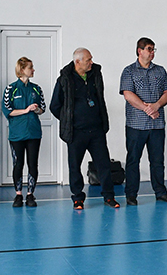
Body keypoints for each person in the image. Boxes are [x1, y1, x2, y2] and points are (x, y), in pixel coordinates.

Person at [50, 48, 120, 210]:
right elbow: (55, 106)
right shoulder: (64, 79)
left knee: (104, 165)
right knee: (74, 167)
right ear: (78, 62)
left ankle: (109, 196)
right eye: (88, 60)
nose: (91, 62)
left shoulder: (96, 75)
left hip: (96, 131)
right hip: (76, 132)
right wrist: (68, 120)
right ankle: (78, 198)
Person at [119, 37, 167, 206]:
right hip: (136, 125)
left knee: (157, 161)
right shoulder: (129, 71)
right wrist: (147, 109)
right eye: (149, 49)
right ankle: (131, 194)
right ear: (140, 50)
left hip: (157, 125)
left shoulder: (160, 71)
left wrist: (156, 105)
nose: (152, 52)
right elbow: (128, 95)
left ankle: (160, 192)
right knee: (133, 160)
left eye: (153, 49)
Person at [2, 57, 45, 207]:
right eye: (30, 67)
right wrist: (26, 110)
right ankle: (18, 194)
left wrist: (36, 109)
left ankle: (30, 194)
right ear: (22, 70)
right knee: (18, 163)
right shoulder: (11, 89)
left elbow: (43, 108)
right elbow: (7, 110)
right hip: (17, 133)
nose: (33, 70)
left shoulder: (36, 88)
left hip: (33, 132)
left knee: (33, 163)